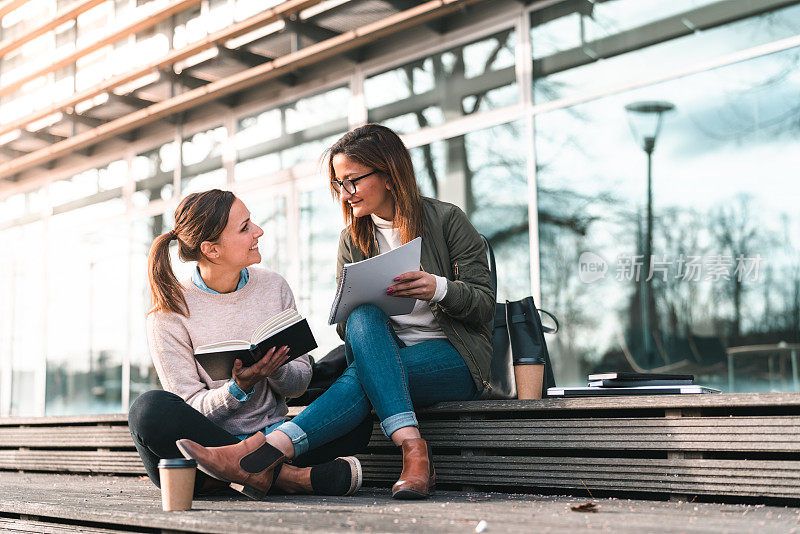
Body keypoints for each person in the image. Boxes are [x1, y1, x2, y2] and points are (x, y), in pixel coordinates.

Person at [177, 124, 495, 500]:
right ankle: (413, 451)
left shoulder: (446, 220)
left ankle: (260, 455)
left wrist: (437, 287)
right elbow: (349, 329)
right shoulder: (352, 238)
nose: (344, 194)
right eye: (338, 184)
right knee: (362, 318)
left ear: (390, 175)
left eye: (352, 181)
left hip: (454, 357)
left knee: (364, 376)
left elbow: (484, 305)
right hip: (387, 354)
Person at [128, 189, 373, 499]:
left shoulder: (273, 286)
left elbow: (298, 385)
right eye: (244, 227)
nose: (258, 231)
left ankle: (239, 473)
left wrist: (275, 369)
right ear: (212, 250)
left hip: (275, 437)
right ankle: (288, 477)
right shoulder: (168, 313)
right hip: (203, 448)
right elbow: (189, 406)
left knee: (358, 419)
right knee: (147, 410)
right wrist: (238, 388)